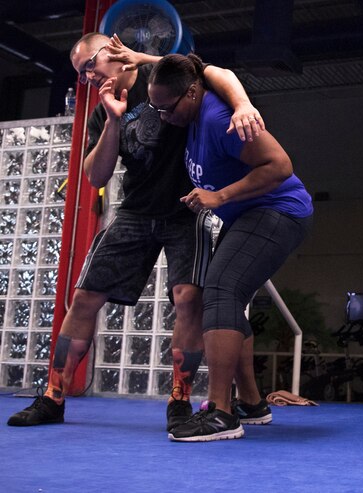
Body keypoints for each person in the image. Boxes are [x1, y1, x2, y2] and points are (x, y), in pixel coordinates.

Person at [7, 32, 265, 434]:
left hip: (186, 209)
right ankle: (53, 396)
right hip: (135, 212)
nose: (87, 76)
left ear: (111, 52)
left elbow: (217, 74)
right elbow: (96, 174)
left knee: (188, 299)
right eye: (80, 73)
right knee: (84, 297)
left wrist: (243, 104)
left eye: (89, 65)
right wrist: (112, 118)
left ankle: (179, 400)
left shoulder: (160, 77)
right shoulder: (101, 111)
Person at [147, 53, 313, 442]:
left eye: (165, 108)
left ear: (190, 93)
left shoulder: (220, 119)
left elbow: (279, 165)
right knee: (223, 295)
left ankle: (223, 413)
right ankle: (252, 405)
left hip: (280, 211)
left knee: (221, 288)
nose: (161, 116)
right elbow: (190, 65)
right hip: (253, 216)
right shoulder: (188, 108)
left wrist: (220, 196)